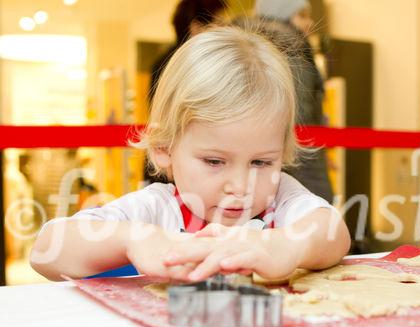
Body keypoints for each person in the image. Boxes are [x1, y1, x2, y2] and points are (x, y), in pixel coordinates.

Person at [30, 27, 350, 283]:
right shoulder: (157, 208)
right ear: (164, 148)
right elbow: (45, 251)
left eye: (261, 162)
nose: (240, 185)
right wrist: (134, 239)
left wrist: (287, 245)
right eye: (214, 161)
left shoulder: (281, 198)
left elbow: (334, 232)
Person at [254, 0, 334, 203]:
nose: (309, 22)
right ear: (283, 14)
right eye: (302, 15)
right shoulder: (291, 46)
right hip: (300, 155)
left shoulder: (253, 43)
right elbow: (301, 112)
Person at [147, 0, 228, 183]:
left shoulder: (163, 60)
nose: (225, 31)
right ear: (196, 27)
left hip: (167, 162)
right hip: (185, 168)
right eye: (220, 24)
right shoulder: (196, 65)